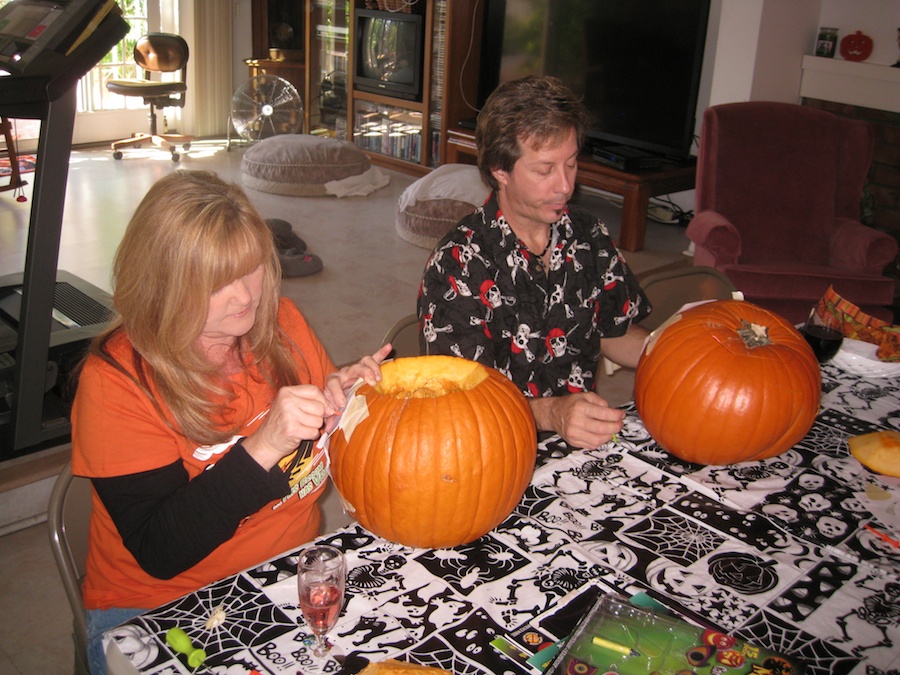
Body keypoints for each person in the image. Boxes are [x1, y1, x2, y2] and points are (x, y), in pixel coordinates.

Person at [70, 170, 390, 674]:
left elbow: (324, 453)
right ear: (163, 283)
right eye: (217, 283)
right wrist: (263, 445)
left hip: (283, 573)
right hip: (162, 605)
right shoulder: (115, 383)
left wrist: (347, 404)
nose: (244, 297)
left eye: (251, 269)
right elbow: (160, 549)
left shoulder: (282, 323)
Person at [417, 76, 651, 449]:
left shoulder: (588, 234)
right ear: (500, 170)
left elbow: (614, 331)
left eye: (571, 165)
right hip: (493, 452)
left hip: (580, 442)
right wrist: (552, 414)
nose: (565, 186)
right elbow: (460, 404)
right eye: (544, 170)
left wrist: (678, 354)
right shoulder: (457, 266)